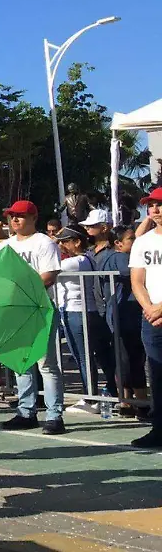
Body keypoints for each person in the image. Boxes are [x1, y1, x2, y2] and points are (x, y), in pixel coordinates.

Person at [0, 200, 66, 435]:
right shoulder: (4, 247)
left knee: (46, 364)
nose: (15, 220)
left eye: (21, 216)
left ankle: (54, 415)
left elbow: (49, 276)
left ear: (34, 218)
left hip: (40, 308)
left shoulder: (44, 243)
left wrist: (19, 289)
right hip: (15, 311)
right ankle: (26, 411)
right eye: (12, 216)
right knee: (21, 364)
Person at [54, 226, 118, 414]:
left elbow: (48, 268)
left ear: (77, 242)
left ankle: (91, 398)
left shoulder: (75, 261)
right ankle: (109, 392)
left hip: (76, 312)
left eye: (65, 241)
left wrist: (51, 244)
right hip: (86, 311)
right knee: (98, 355)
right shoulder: (87, 258)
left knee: (83, 357)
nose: (61, 245)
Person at [103, 225, 149, 420]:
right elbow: (133, 272)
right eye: (131, 239)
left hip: (126, 316)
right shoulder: (119, 257)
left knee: (127, 360)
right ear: (118, 243)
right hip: (126, 317)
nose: (135, 242)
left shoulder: (111, 256)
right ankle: (141, 404)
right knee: (132, 360)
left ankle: (127, 403)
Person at [128, 187, 162, 448]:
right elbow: (137, 281)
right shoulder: (143, 241)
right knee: (158, 375)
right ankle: (159, 428)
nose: (155, 210)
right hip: (152, 320)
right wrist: (150, 308)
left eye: (159, 204)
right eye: (151, 205)